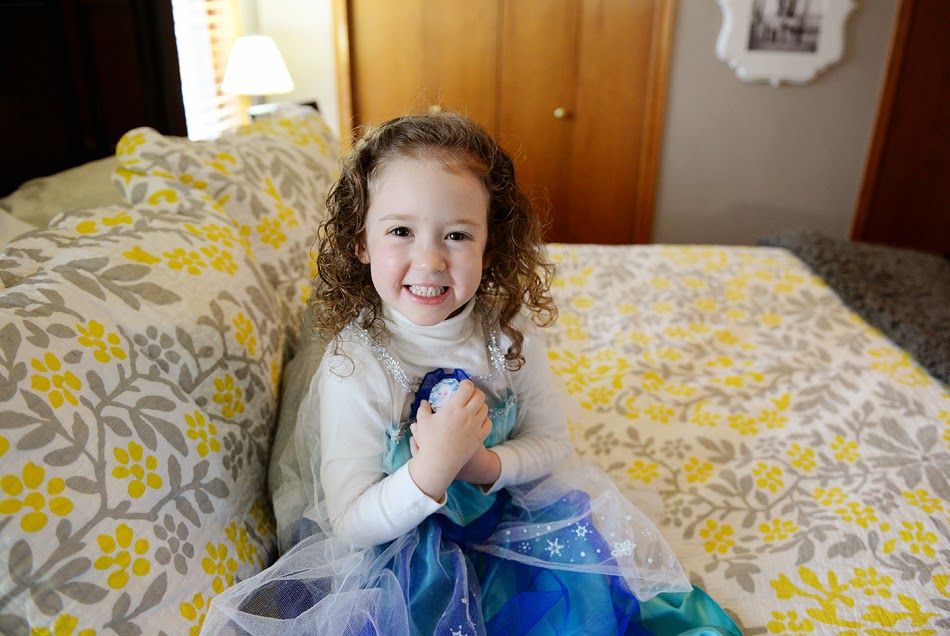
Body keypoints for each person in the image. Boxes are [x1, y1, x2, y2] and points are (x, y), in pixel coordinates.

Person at [202, 113, 740, 635]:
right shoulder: (356, 366)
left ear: (490, 244)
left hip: (508, 520)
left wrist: (483, 464)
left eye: (457, 235)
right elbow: (350, 522)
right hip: (406, 562)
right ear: (361, 241)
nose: (430, 260)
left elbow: (552, 441)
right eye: (400, 231)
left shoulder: (507, 332)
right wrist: (431, 470)